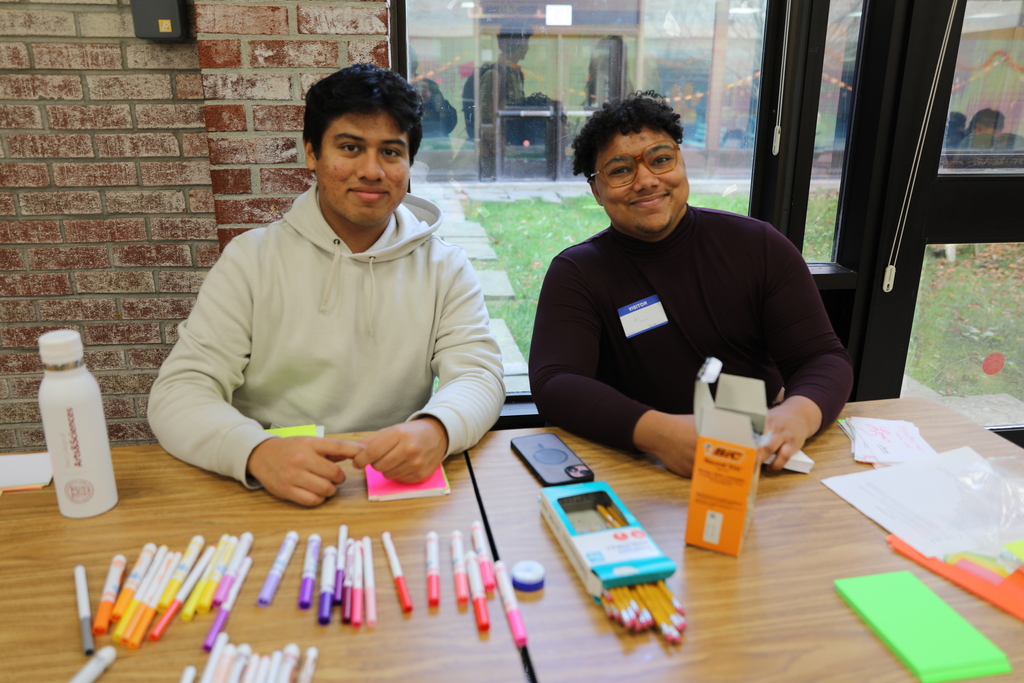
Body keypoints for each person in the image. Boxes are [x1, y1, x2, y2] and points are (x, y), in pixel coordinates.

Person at [149, 64, 505, 507]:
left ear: (409, 162)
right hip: (268, 486)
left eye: (391, 152)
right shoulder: (251, 259)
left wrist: (438, 427)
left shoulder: (445, 266)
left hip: (387, 486)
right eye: (351, 147)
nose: (372, 170)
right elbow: (179, 391)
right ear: (312, 154)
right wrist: (255, 451)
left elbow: (479, 374)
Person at [528, 91, 853, 477]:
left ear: (682, 163)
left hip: (759, 461)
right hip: (639, 467)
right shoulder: (578, 272)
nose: (646, 180)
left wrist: (797, 414)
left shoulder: (758, 246)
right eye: (620, 170)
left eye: (661, 159)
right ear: (597, 191)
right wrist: (657, 433)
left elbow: (822, 358)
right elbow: (555, 383)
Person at [409, 47, 457, 143]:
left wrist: (429, 99)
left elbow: (448, 121)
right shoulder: (394, 86)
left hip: (434, 141)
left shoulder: (429, 85)